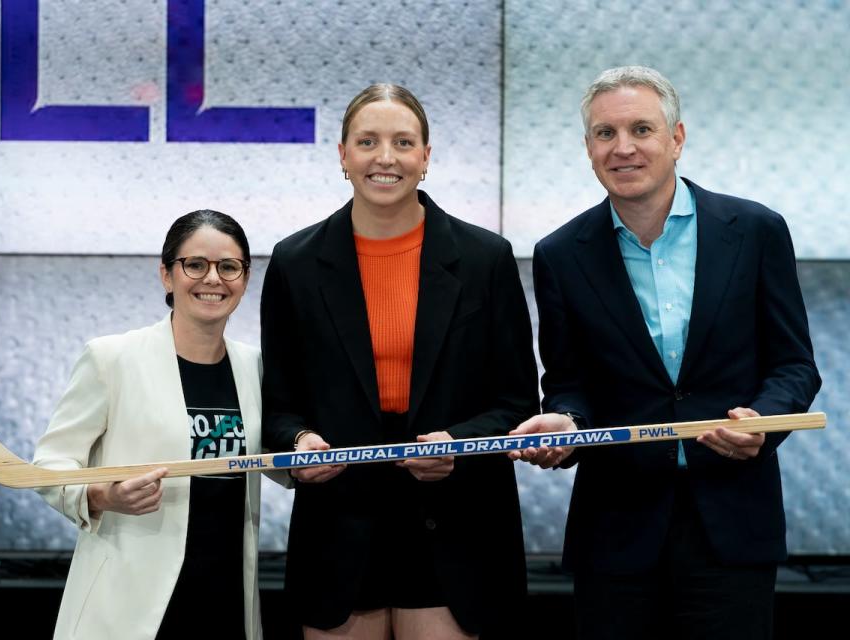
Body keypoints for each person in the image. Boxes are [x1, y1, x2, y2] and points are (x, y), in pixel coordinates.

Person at [510, 66, 821, 639]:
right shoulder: (559, 254)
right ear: (588, 148)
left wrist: (763, 423)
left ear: (676, 139)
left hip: (732, 522)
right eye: (605, 134)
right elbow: (569, 381)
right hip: (616, 531)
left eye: (641, 129)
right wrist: (568, 421)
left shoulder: (755, 230)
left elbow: (794, 365)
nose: (623, 148)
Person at [261, 83, 538, 639]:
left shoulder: (486, 259)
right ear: (342, 155)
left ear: (426, 157)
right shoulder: (295, 263)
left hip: (456, 526)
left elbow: (515, 402)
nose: (385, 157)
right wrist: (297, 444)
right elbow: (279, 406)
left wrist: (457, 444)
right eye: (367, 141)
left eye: (403, 142)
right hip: (339, 525)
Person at [33, 210, 270, 639]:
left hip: (225, 596)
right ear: (166, 275)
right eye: (195, 265)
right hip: (131, 601)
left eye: (228, 267)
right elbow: (51, 464)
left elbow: (269, 457)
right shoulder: (112, 358)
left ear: (245, 277)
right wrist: (101, 495)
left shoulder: (253, 366)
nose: (213, 279)